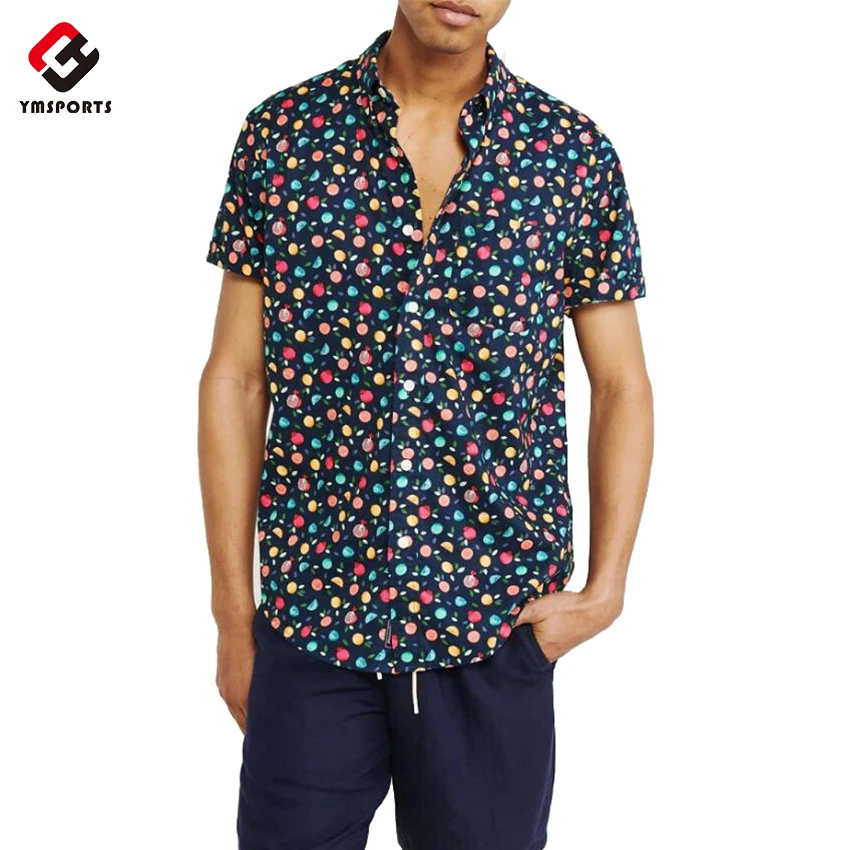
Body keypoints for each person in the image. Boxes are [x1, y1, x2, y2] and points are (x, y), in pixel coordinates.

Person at [198, 1, 654, 847]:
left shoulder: (570, 153)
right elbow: (236, 377)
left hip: (494, 626)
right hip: (313, 621)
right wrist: (234, 619)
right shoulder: (284, 136)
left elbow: (622, 384)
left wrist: (606, 591)